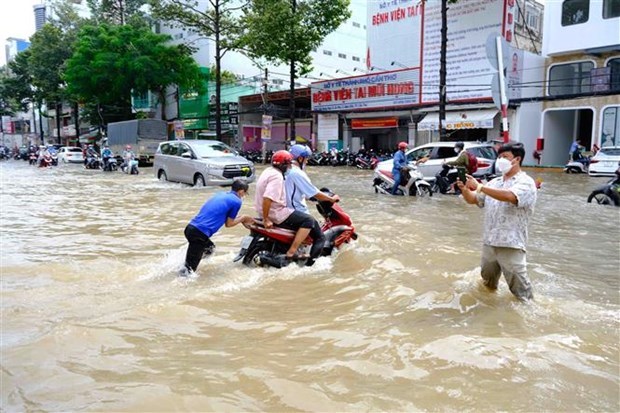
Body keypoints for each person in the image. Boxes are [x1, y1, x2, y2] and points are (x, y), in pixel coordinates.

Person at [456, 142, 537, 301]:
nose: (501, 160)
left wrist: (479, 187)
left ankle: (526, 319)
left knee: (522, 293)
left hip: (511, 244)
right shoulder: (494, 182)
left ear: (517, 159)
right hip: (490, 242)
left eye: (505, 157)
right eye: (499, 157)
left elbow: (510, 196)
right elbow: (475, 200)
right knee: (487, 284)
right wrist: (465, 190)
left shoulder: (526, 182)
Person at [254, 150, 325, 265]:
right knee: (309, 220)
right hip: (276, 213)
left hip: (264, 211)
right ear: (284, 165)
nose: (290, 167)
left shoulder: (268, 171)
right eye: (288, 164)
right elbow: (267, 198)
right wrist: (266, 219)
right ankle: (292, 252)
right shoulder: (277, 177)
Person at [181, 179, 254, 275]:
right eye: (245, 193)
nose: (244, 195)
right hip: (200, 234)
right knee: (188, 273)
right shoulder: (237, 201)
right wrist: (243, 218)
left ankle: (192, 259)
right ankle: (187, 271)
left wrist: (241, 219)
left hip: (191, 228)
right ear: (241, 191)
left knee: (210, 249)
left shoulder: (221, 194)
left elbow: (222, 215)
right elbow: (229, 224)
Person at [285, 144, 340, 214]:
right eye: (306, 159)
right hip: (296, 211)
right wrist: (331, 199)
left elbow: (295, 192)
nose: (307, 162)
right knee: (314, 224)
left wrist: (309, 197)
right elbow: (314, 193)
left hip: (287, 210)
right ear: (300, 159)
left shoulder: (287, 170)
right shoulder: (297, 172)